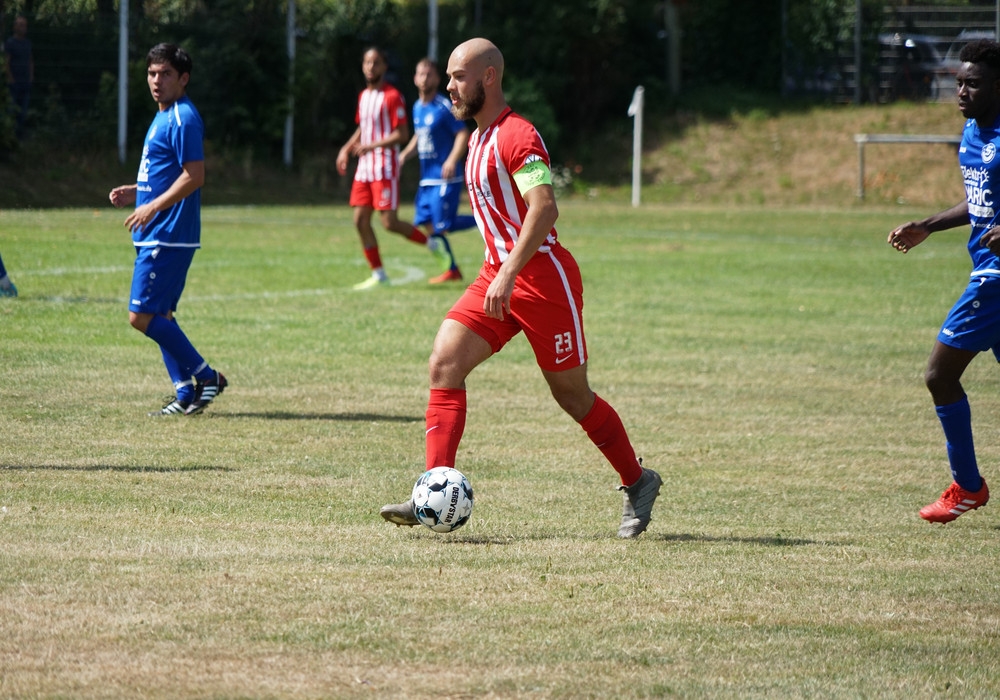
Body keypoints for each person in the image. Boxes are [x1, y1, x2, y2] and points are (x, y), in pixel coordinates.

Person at [380, 38, 661, 539]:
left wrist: (510, 272)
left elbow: (545, 207)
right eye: (448, 76)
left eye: (459, 76)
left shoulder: (518, 135)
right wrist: (501, 272)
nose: (449, 86)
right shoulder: (479, 138)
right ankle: (433, 487)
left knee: (572, 396)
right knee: (444, 362)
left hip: (541, 281)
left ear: (489, 77)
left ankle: (638, 481)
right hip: (497, 275)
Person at [887, 38, 1000, 523]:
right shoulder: (973, 135)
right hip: (985, 267)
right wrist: (928, 226)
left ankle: (968, 486)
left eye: (972, 84)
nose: (961, 92)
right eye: (958, 83)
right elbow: (979, 204)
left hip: (995, 278)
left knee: (939, 374)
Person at [108, 43, 226, 417]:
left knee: (140, 316)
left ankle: (207, 376)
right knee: (161, 316)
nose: (156, 81)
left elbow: (195, 175)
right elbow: (166, 174)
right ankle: (184, 392)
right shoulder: (164, 116)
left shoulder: (183, 118)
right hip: (159, 231)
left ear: (183, 78)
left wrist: (151, 206)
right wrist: (137, 191)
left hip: (168, 233)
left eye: (165, 74)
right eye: (152, 74)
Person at [336, 46, 456, 290]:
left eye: (376, 63)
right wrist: (346, 148)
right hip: (365, 168)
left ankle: (432, 244)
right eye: (367, 62)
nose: (371, 67)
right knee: (360, 220)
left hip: (384, 167)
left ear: (384, 67)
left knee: (389, 223)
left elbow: (401, 134)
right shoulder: (363, 97)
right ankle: (379, 275)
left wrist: (371, 146)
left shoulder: (392, 96)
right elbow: (363, 128)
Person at [399, 57, 477, 284]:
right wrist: (404, 155)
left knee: (445, 224)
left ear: (436, 79)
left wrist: (452, 160)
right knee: (427, 222)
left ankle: (485, 220)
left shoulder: (444, 107)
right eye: (420, 73)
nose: (424, 78)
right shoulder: (416, 107)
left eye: (429, 74)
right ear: (415, 78)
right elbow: (419, 136)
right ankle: (451, 269)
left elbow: (462, 133)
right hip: (427, 179)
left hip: (445, 177)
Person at [4, 15, 33, 139]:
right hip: (14, 83)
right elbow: (6, 62)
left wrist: (31, 77)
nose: (22, 27)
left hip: (25, 82)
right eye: (20, 24)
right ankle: (9, 137)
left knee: (23, 111)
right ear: (14, 27)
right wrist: (11, 79)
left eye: (24, 25)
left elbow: (31, 60)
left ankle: (20, 137)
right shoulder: (10, 43)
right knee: (11, 110)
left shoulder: (27, 43)